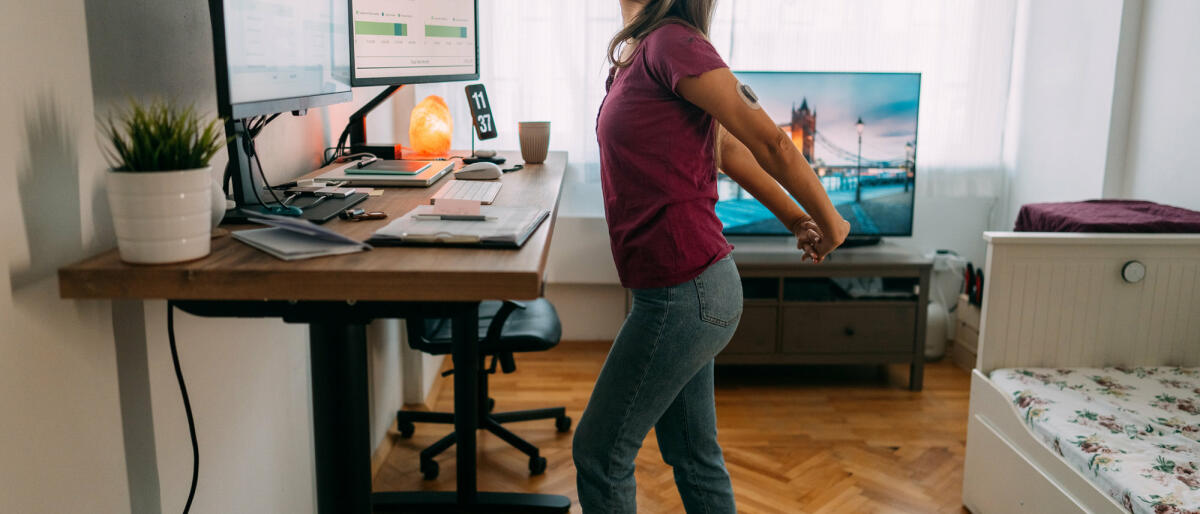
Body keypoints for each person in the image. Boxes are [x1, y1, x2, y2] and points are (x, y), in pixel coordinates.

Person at [571, 0, 852, 512]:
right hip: (682, 291)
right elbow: (727, 152)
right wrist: (794, 219)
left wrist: (831, 222)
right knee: (693, 454)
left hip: (686, 294)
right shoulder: (643, 50)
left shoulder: (674, 43)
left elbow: (772, 143)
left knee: (600, 452)